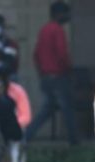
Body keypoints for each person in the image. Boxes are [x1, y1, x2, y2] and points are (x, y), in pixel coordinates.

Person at [26, 1, 78, 145]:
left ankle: (27, 136)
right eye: (65, 13)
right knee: (67, 109)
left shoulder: (44, 29)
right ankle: (74, 141)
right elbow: (62, 54)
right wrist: (69, 69)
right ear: (58, 14)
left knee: (48, 109)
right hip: (58, 77)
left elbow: (36, 54)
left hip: (46, 77)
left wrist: (41, 72)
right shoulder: (57, 29)